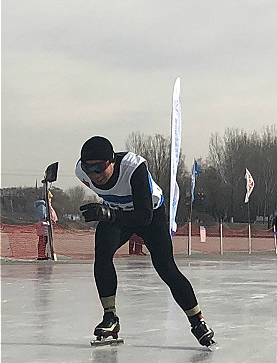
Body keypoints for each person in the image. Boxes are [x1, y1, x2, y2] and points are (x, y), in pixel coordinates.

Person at [75, 136, 214, 346]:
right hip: (118, 213)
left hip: (149, 214)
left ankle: (198, 321)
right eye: (88, 169)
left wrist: (108, 214)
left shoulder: (134, 168)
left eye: (99, 167)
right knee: (102, 256)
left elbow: (144, 216)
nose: (95, 175)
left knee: (166, 268)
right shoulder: (80, 173)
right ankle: (110, 317)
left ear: (111, 162)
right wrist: (108, 214)